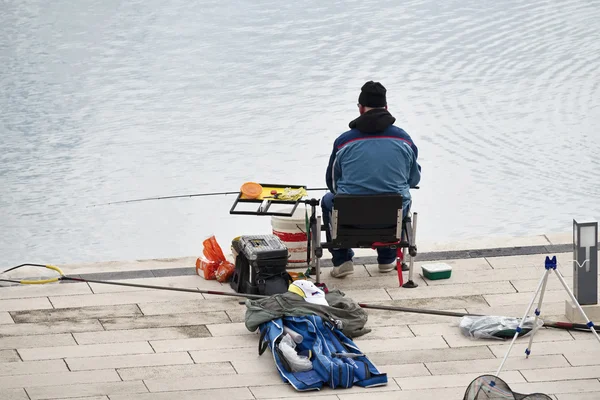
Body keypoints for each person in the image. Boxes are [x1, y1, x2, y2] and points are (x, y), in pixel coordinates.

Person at [322, 81, 421, 278]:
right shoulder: (405, 140)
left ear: (360, 108)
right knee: (401, 198)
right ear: (386, 107)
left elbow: (332, 184)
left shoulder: (344, 141)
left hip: (351, 217)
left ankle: (342, 261)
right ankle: (387, 259)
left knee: (327, 200)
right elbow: (413, 179)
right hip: (391, 215)